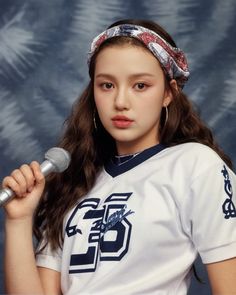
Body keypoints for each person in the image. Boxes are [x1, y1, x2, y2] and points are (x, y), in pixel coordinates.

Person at [2, 19, 236, 295]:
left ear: (168, 93)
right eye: (107, 85)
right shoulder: (74, 181)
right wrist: (18, 221)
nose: (121, 102)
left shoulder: (196, 165)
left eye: (140, 86)